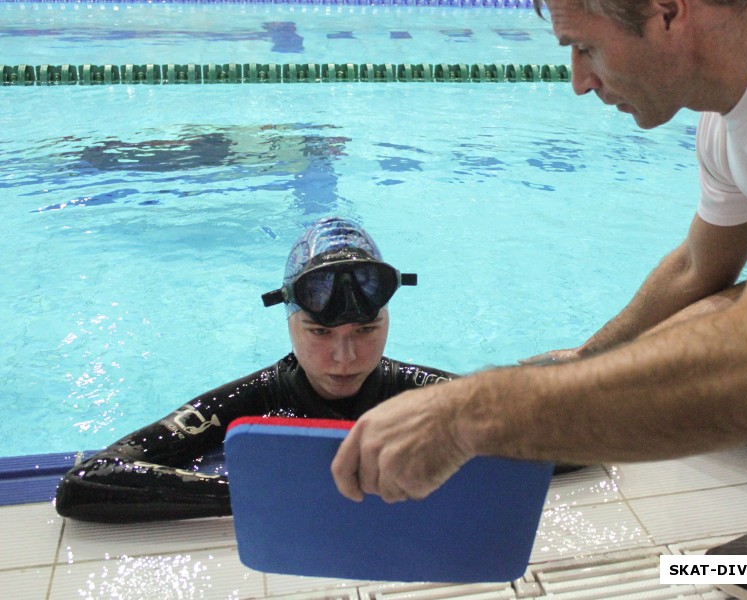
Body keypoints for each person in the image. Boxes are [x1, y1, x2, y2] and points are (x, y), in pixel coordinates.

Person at [329, 0, 747, 597]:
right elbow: (696, 269)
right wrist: (584, 360)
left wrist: (472, 415)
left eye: (585, 47)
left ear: (668, 12)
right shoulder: (728, 119)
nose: (580, 81)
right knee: (718, 314)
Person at [55, 216, 455, 523]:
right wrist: (260, 496)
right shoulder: (253, 400)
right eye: (319, 331)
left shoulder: (420, 391)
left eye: (366, 330)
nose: (345, 357)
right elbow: (88, 479)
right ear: (289, 322)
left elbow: (518, 426)